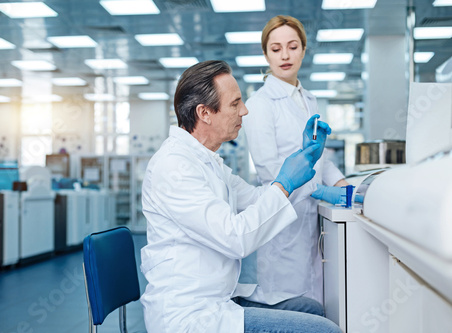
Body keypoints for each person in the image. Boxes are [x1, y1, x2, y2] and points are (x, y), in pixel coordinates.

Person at [140, 60, 342, 333]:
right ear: (205, 113)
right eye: (235, 104)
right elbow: (236, 239)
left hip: (217, 297)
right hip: (190, 314)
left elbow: (258, 198)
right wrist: (283, 183)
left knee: (312, 308)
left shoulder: (209, 162)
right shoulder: (174, 167)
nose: (244, 111)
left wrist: (301, 161)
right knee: (324, 331)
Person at [241, 15, 350, 311]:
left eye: (292, 46)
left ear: (303, 49)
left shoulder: (309, 99)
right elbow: (271, 172)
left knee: (316, 305)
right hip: (284, 228)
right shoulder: (260, 105)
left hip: (312, 225)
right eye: (275, 49)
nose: (285, 56)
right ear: (266, 54)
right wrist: (318, 190)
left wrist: (345, 188)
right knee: (293, 310)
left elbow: (320, 157)